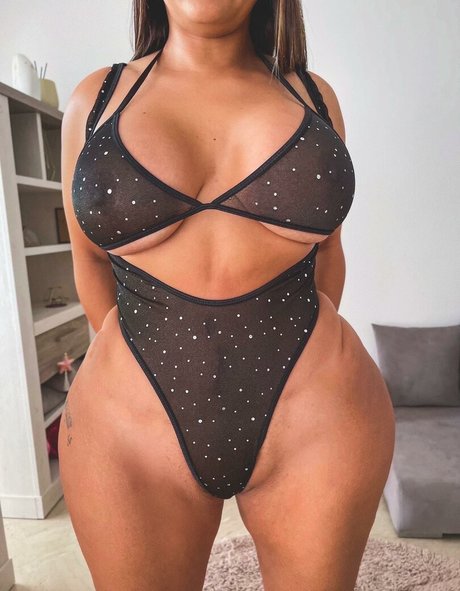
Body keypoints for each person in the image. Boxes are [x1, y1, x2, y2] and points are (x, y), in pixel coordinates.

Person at [58, 1, 395, 589]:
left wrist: (305, 354)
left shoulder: (314, 97)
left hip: (317, 416)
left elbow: (329, 251)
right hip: (129, 428)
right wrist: (131, 357)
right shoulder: (96, 98)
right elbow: (87, 256)